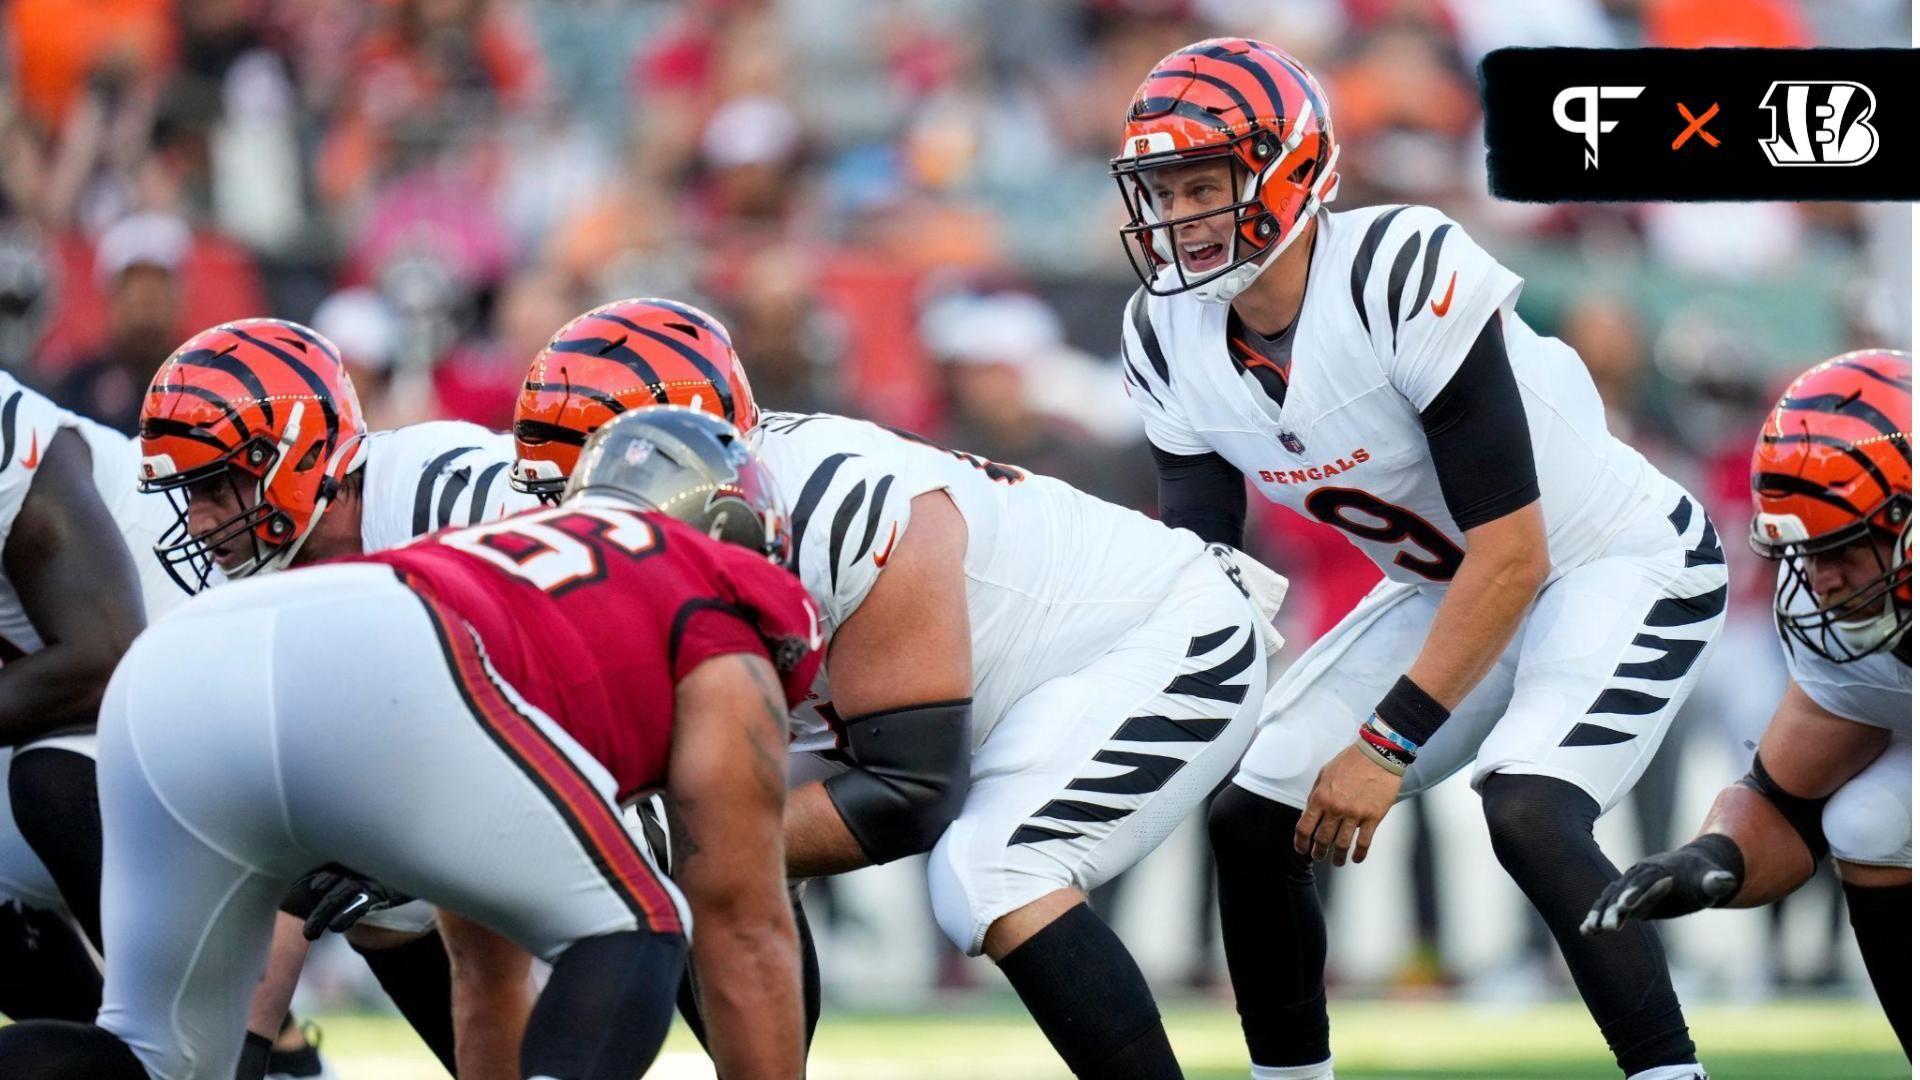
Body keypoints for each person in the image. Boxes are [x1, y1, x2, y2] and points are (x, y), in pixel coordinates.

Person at [1108, 38, 1724, 1080]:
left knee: (1528, 804)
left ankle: (1672, 1073)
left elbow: (1514, 550)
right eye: (1161, 189)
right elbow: (1206, 571)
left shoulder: (1399, 268)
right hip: (1450, 586)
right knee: (1253, 815)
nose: (1179, 216)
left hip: (1613, 562)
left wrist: (1386, 744)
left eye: (1203, 184)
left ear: (1290, 169)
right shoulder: (1165, 335)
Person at [514, 297, 1292, 1080]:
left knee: (990, 870)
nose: (588, 535)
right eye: (568, 504)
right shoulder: (694, 515)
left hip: (1162, 632)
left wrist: (681, 849)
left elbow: (910, 790)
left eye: (621, 487)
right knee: (689, 842)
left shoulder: (840, 505)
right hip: (1006, 687)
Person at [0, 408, 820, 1080]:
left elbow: (486, 973)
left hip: (178, 661)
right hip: (396, 655)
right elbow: (744, 927)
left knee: (157, 1061)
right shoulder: (715, 612)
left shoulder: (519, 565)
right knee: (641, 924)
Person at [135, 316, 541, 1071]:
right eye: (189, 494)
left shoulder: (444, 491)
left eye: (216, 486)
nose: (201, 521)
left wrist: (412, 837)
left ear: (292, 454)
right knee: (339, 884)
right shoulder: (271, 588)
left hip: (615, 757)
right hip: (490, 796)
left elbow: (563, 681)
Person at [1586, 350, 1911, 1059]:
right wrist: (1708, 861)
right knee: (1868, 818)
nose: (1821, 582)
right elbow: (1787, 800)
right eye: (1808, 553)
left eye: (1844, 547)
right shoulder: (1841, 618)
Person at [0, 369, 183, 1023]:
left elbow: (103, 659)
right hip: (125, 709)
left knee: (49, 776)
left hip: (187, 685)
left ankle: (188, 1039)